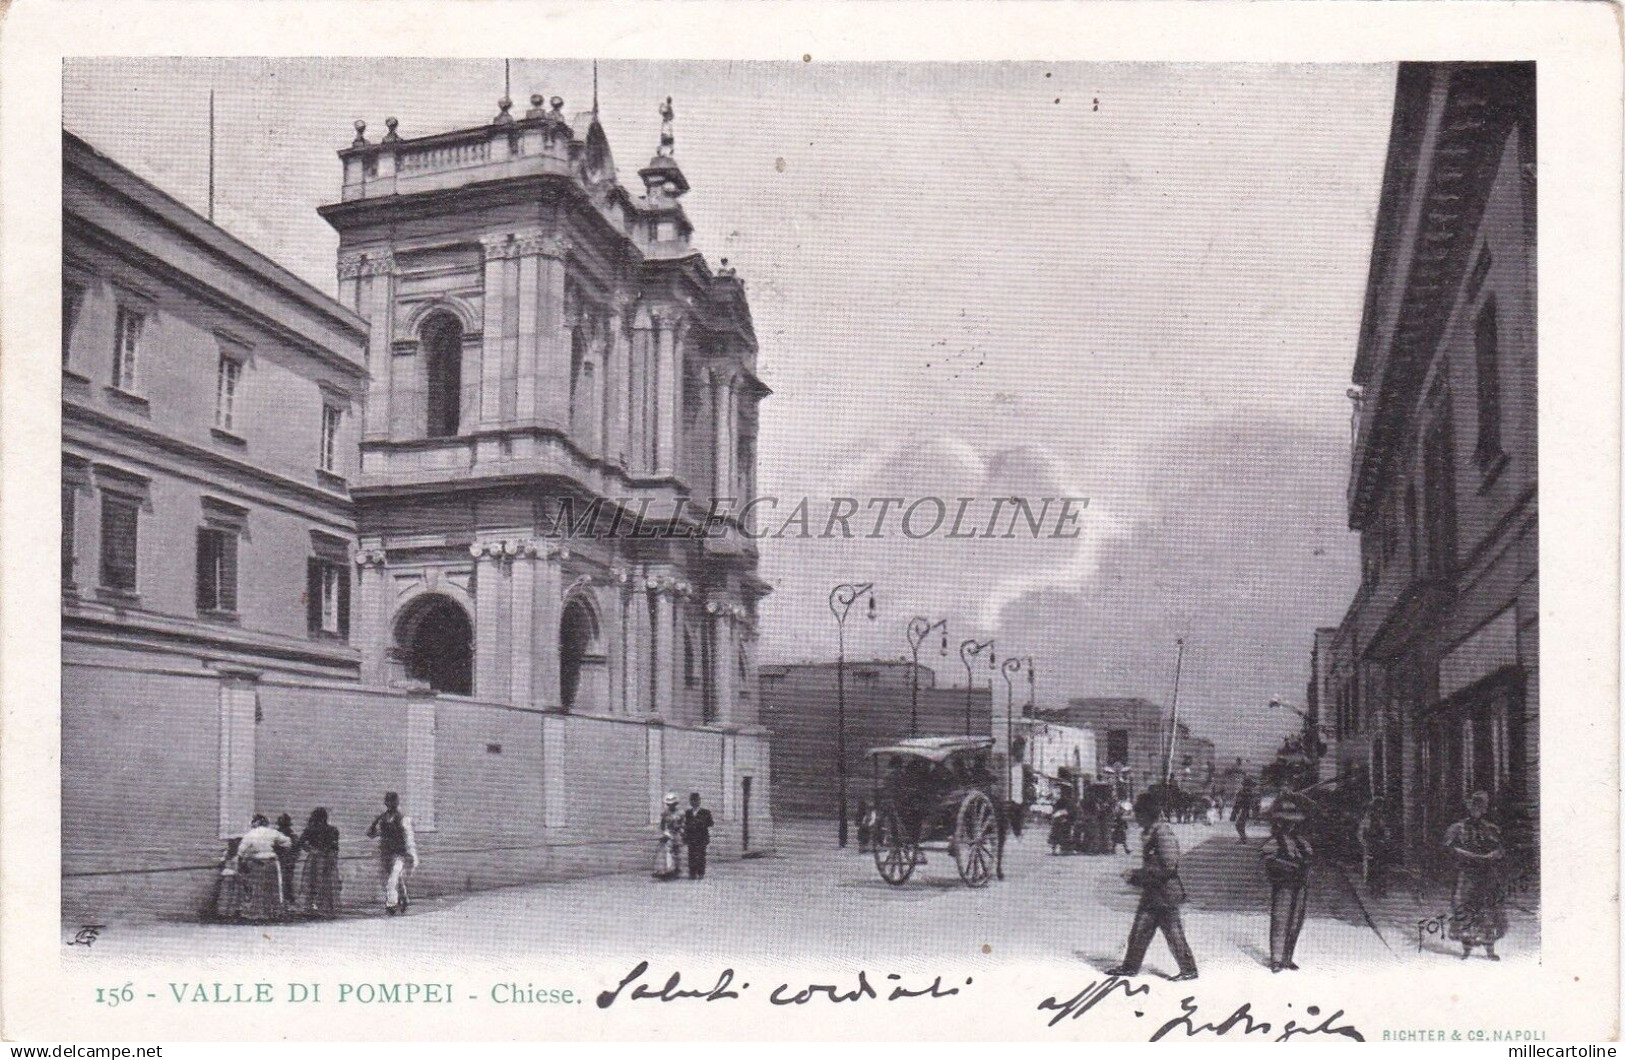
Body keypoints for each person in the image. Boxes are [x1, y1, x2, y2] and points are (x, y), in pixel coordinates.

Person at [1106, 792, 1198, 981]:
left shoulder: (1163, 833)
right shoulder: (1151, 831)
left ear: (1148, 814)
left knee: (1173, 933)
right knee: (1140, 929)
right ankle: (1130, 967)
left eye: (1139, 815)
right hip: (1154, 891)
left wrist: (1136, 876)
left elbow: (1169, 866)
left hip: (1166, 892)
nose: (1137, 820)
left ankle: (1189, 970)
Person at [1444, 791, 1508, 960]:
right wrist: (1469, 855)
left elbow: (1500, 850)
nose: (1476, 811)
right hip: (1466, 874)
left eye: (1480, 808)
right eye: (1473, 807)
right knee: (1464, 908)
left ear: (1484, 810)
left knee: (1487, 911)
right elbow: (1449, 848)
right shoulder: (1458, 828)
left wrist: (1492, 855)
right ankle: (1466, 949)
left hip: (1485, 874)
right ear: (1469, 808)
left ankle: (1489, 950)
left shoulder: (1490, 829)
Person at [1261, 795, 1313, 972]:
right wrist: (1289, 866)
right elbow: (1269, 861)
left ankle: (1287, 958)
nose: (1291, 825)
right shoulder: (1275, 842)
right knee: (1280, 920)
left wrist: (1304, 866)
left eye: (1293, 822)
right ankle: (1276, 959)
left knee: (1296, 921)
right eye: (1287, 822)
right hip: (1284, 885)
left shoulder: (1302, 842)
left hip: (1300, 885)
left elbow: (1310, 858)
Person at [366, 792, 417, 915]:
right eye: (388, 801)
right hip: (386, 853)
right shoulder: (382, 818)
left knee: (392, 878)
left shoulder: (403, 818)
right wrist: (374, 824)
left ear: (397, 803)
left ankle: (391, 904)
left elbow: (408, 837)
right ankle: (404, 898)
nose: (390, 804)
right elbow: (371, 834)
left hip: (399, 854)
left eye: (393, 801)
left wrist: (410, 854)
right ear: (385, 803)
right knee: (392, 878)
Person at [235, 814, 291, 922]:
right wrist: (278, 848)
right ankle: (274, 912)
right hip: (271, 862)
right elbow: (287, 842)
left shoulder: (250, 834)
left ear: (255, 822)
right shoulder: (272, 832)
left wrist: (243, 860)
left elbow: (241, 851)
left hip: (257, 862)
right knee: (273, 888)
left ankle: (258, 913)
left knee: (258, 888)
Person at [297, 807, 342, 919]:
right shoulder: (333, 830)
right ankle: (326, 908)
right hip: (327, 858)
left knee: (311, 882)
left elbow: (300, 843)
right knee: (326, 883)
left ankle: (310, 908)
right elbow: (335, 847)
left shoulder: (310, 829)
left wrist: (310, 849)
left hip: (314, 858)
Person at [1358, 798, 1393, 898]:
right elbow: (1360, 834)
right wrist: (1365, 844)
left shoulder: (1382, 820)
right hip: (1371, 846)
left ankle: (1381, 889)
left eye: (1380, 808)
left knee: (1382, 867)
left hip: (1380, 847)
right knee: (1372, 867)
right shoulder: (1367, 820)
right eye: (1377, 808)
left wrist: (1386, 840)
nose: (1379, 810)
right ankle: (1373, 889)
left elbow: (1387, 832)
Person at [683, 792, 715, 880]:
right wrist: (685, 836)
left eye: (696, 800)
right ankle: (692, 873)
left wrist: (702, 823)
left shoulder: (705, 812)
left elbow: (710, 823)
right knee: (691, 855)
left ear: (699, 801)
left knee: (701, 855)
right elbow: (685, 825)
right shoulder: (688, 813)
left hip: (701, 837)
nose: (694, 802)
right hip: (691, 838)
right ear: (690, 802)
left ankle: (701, 873)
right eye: (692, 800)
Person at [654, 792, 684, 880]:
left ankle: (677, 869)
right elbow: (662, 825)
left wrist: (680, 830)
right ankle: (668, 869)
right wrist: (663, 833)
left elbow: (682, 824)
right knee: (667, 851)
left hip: (677, 834)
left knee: (677, 852)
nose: (671, 806)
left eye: (672, 804)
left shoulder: (680, 813)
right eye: (669, 804)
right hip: (669, 834)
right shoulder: (665, 814)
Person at [274, 813, 299, 910]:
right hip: (286, 860)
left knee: (283, 881)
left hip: (282, 860)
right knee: (287, 881)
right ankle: (287, 901)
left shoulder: (277, 834)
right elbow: (297, 849)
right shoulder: (292, 835)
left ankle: (285, 901)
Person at [1232, 776, 1256, 842]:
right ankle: (1243, 837)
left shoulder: (1246, 793)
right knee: (1240, 824)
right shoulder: (1244, 792)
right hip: (1242, 810)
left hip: (1244, 810)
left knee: (1238, 825)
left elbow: (1241, 801)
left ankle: (1243, 838)